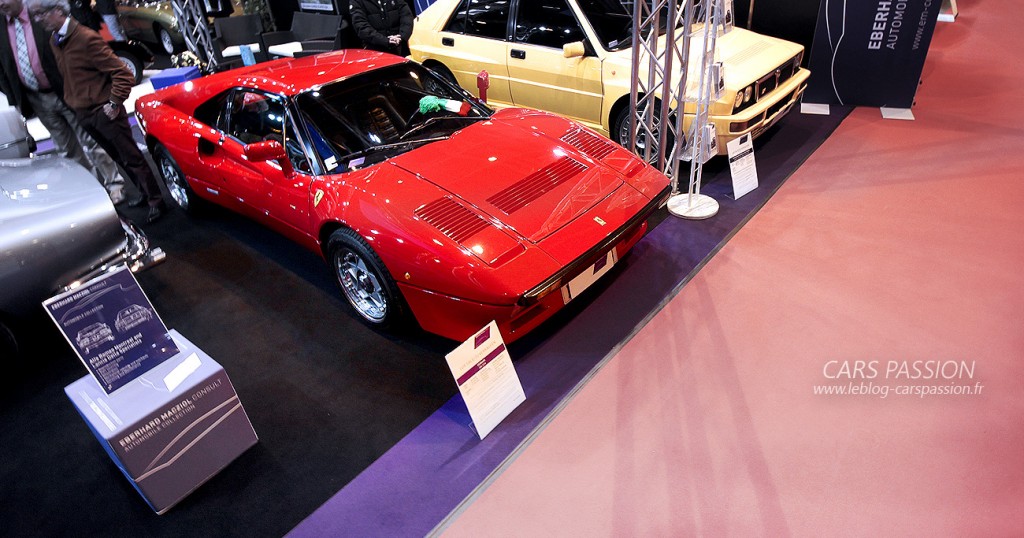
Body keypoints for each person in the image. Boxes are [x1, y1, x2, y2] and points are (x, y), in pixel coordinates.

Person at [27, 0, 167, 223]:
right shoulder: (57, 40)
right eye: (34, 16)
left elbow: (122, 73)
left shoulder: (85, 38)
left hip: (103, 111)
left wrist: (114, 103)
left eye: (40, 14)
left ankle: (155, 200)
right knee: (119, 157)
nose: (37, 20)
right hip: (84, 113)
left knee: (131, 157)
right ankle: (144, 193)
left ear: (56, 11)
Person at [0, 0, 126, 203]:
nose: (0, 4)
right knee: (67, 150)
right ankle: (90, 189)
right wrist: (14, 98)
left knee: (91, 140)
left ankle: (115, 184)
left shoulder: (39, 12)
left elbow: (72, 41)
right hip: (36, 98)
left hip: (67, 90)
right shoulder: (1, 25)